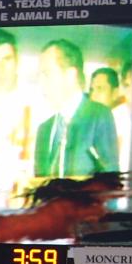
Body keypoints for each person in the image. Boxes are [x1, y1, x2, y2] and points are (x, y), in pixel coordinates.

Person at [33, 38, 119, 179]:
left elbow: (110, 186)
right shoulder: (44, 130)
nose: (41, 82)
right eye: (40, 76)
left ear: (70, 75)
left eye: (47, 74)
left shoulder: (98, 116)